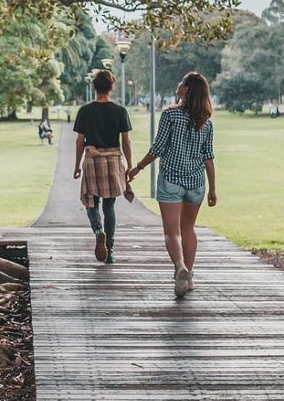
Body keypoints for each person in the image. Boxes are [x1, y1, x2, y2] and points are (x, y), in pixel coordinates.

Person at [127, 72, 217, 298]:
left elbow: (157, 149)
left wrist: (137, 168)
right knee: (188, 229)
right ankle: (190, 276)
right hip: (196, 182)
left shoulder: (170, 115)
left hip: (171, 181)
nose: (178, 84)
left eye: (181, 82)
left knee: (172, 233)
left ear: (186, 89)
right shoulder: (207, 122)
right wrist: (213, 189)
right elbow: (209, 158)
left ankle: (180, 267)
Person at [72, 70, 134, 264]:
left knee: (91, 202)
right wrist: (129, 166)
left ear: (94, 87)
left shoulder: (85, 111)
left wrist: (77, 165)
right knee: (109, 205)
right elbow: (126, 142)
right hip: (113, 161)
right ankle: (110, 250)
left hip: (92, 161)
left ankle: (99, 231)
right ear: (112, 87)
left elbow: (80, 141)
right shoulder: (120, 111)